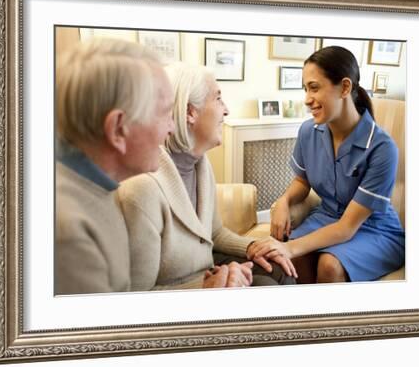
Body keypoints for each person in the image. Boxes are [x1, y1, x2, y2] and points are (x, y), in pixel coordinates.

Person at [118, 63, 297, 291]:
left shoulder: (200, 163)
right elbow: (134, 296)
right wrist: (206, 287)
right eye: (218, 99)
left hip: (205, 268)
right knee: (263, 287)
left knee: (278, 270)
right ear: (190, 112)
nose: (226, 110)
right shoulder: (142, 188)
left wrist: (252, 246)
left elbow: (213, 233)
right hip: (178, 290)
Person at [248, 46, 405, 283]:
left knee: (329, 265)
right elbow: (303, 180)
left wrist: (291, 247)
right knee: (290, 259)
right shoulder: (308, 131)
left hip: (373, 230)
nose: (307, 99)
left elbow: (347, 227)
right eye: (305, 89)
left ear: (344, 87)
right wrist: (284, 200)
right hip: (327, 217)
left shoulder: (382, 148)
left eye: (314, 87)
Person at [54, 38, 176, 294]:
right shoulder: (69, 235)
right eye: (165, 113)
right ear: (118, 129)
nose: (172, 128)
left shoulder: (95, 187)